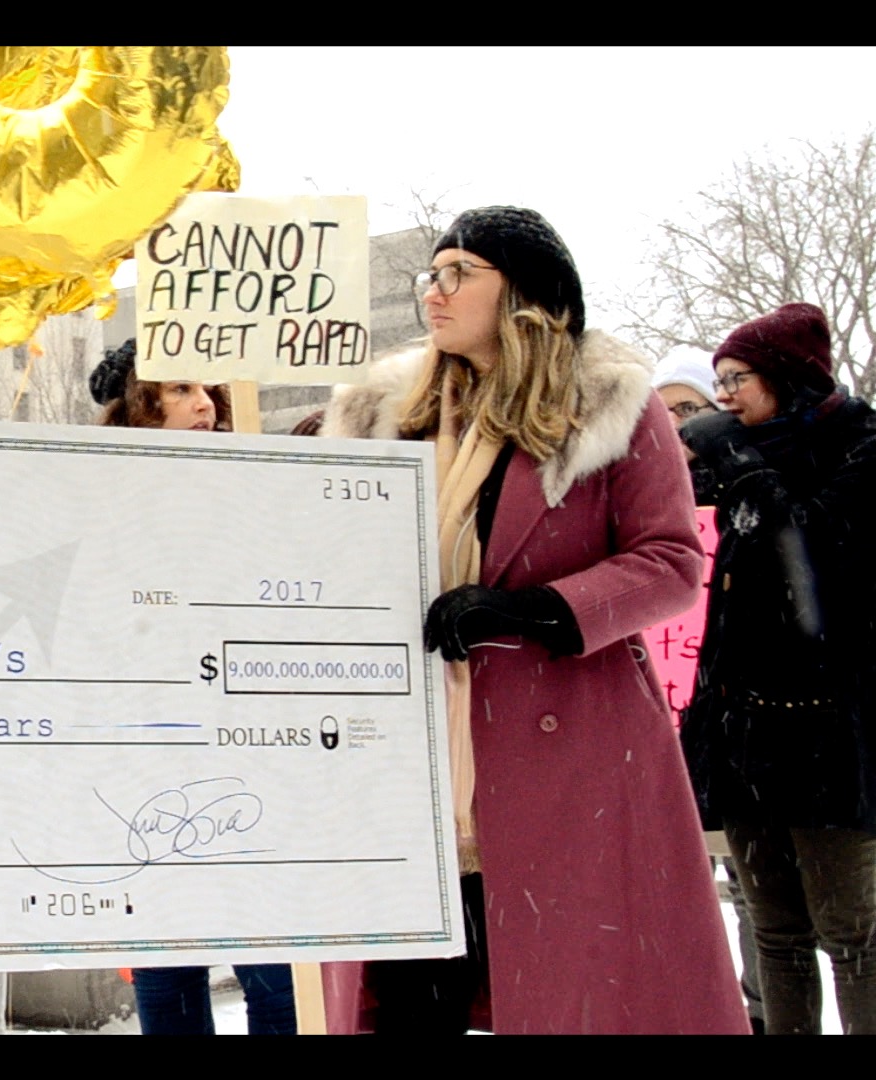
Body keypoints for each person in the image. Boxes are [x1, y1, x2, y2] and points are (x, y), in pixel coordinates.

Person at [317, 206, 747, 1034]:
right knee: (408, 998)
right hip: (405, 761)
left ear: (521, 290)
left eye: (456, 274)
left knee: (565, 991)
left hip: (567, 759)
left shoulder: (611, 406)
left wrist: (536, 610)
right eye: (428, 276)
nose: (432, 294)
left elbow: (671, 563)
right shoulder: (380, 412)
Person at [87, 340, 298, 1035]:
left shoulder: (257, 490)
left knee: (275, 965)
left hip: (250, 753)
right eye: (178, 388)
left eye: (208, 387)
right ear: (136, 410)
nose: (204, 402)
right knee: (168, 965)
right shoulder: (95, 503)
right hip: (143, 760)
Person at [677, 303, 876, 1035]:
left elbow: (808, 549)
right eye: (718, 380)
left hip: (829, 741)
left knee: (851, 933)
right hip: (745, 739)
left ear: (788, 378)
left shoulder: (861, 445)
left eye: (737, 379)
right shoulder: (742, 464)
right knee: (775, 932)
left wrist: (737, 464)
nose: (723, 396)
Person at [651, 351, 766, 1034]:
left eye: (688, 410)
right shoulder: (637, 491)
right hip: (664, 720)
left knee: (753, 889)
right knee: (679, 885)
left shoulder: (753, 486)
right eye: (661, 414)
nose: (676, 429)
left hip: (738, 717)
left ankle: (756, 1011)